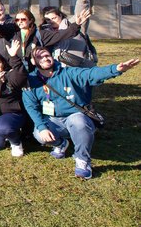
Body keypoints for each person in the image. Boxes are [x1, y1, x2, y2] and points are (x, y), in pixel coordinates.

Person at [23, 47, 139, 179]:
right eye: (39, 57)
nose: (44, 58)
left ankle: (82, 160)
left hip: (75, 116)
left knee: (79, 122)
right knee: (38, 134)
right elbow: (31, 106)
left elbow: (92, 74)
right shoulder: (30, 80)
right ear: (33, 61)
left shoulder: (68, 73)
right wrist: (42, 127)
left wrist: (116, 69)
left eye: (47, 55)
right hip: (53, 119)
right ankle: (60, 144)